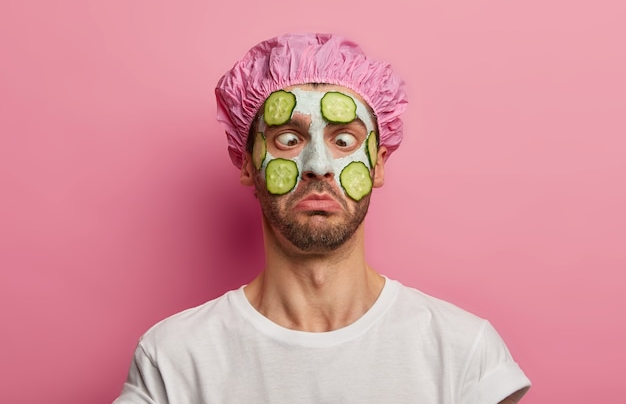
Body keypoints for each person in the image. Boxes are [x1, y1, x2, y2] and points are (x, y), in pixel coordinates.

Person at [113, 33, 531, 404]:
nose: (318, 165)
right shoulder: (172, 361)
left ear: (379, 166)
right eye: (288, 139)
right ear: (246, 163)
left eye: (345, 139)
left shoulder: (465, 355)